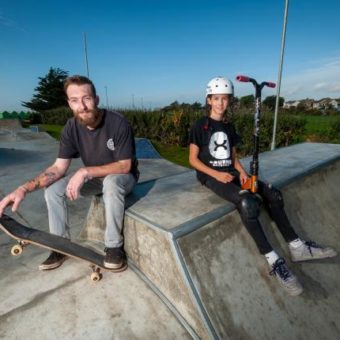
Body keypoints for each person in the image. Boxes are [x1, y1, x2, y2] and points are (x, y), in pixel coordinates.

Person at [188, 76, 337, 296]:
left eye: (225, 99)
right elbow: (193, 160)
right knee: (248, 203)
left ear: (229, 101)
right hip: (210, 176)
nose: (221, 103)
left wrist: (245, 176)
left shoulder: (229, 126)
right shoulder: (200, 125)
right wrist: (216, 175)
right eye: (216, 98)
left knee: (273, 194)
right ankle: (273, 260)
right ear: (209, 100)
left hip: (230, 172)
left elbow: (233, 158)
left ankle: (297, 247)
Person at [0, 75, 139, 271]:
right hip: (96, 180)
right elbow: (57, 168)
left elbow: (124, 166)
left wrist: (84, 171)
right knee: (53, 190)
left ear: (96, 99)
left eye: (87, 98)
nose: (82, 106)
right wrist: (23, 188)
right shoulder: (71, 128)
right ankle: (60, 246)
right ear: (69, 103)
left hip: (124, 179)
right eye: (75, 100)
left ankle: (114, 248)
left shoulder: (117, 123)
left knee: (111, 182)